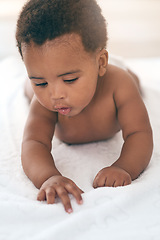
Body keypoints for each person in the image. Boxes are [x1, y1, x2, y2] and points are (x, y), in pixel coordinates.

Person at [16, 0, 153, 214]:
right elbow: (33, 142)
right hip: (76, 72)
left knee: (133, 79)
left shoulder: (119, 86)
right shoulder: (45, 102)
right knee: (29, 92)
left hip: (112, 73)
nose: (55, 94)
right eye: (41, 82)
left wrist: (123, 167)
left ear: (100, 63)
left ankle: (121, 65)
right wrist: (48, 176)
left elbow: (139, 133)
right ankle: (29, 83)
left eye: (69, 79)